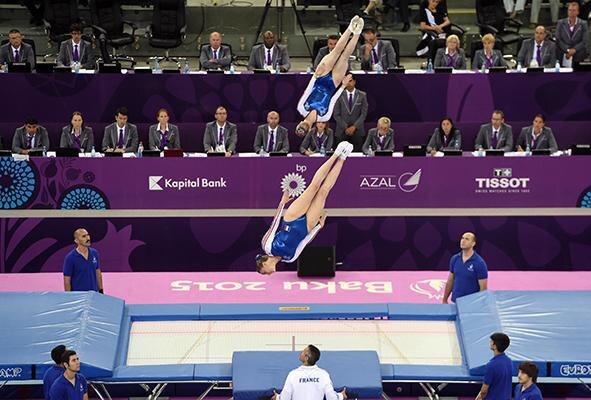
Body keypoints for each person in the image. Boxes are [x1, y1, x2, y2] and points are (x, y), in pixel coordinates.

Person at [256, 141, 354, 274]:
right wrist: (319, 227)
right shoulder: (290, 258)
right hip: (306, 227)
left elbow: (274, 224)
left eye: (264, 272)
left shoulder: (267, 246)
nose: (267, 274)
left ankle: (335, 154)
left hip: (291, 218)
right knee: (323, 192)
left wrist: (282, 203)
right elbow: (304, 242)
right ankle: (343, 158)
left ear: (263, 264)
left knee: (314, 187)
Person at [295, 16, 365, 137]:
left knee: (336, 51)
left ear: (299, 123)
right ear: (309, 127)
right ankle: (357, 32)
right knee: (344, 56)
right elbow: (332, 100)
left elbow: (308, 90)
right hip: (332, 84)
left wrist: (316, 75)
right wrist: (342, 86)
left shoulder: (302, 108)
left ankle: (351, 28)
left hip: (320, 79)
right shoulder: (324, 116)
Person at [271, 345, 347, 400]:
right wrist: (341, 396)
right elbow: (331, 397)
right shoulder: (323, 375)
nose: (301, 352)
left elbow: (285, 398)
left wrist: (277, 397)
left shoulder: (293, 375)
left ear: (306, 358)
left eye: (303, 352)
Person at [442, 232, 487, 303]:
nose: (463, 241)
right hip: (455, 302)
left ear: (473, 244)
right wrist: (444, 299)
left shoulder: (479, 263)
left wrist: (479, 306)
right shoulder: (455, 259)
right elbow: (450, 281)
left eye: (467, 239)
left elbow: (483, 288)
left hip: (471, 303)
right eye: (462, 238)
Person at [332, 74, 368, 152]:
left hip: (358, 130)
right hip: (342, 130)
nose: (348, 82)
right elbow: (336, 114)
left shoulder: (362, 95)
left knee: (358, 156)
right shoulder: (339, 95)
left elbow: (363, 114)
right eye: (346, 81)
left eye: (350, 80)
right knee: (339, 156)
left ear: (354, 82)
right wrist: (346, 127)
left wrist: (354, 127)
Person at [63, 228, 103, 293]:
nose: (88, 238)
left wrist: (101, 290)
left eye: (88, 235)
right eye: (84, 236)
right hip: (78, 296)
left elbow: (98, 273)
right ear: (76, 240)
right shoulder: (70, 258)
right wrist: (69, 297)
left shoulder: (95, 253)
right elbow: (67, 280)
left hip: (94, 294)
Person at [476, 333, 512, 400]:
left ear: (495, 346)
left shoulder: (491, 365)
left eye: (491, 341)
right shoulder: (509, 361)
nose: (490, 342)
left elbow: (484, 391)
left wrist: (480, 398)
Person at [555, 2, 588, 67]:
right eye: (569, 10)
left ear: (578, 12)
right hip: (563, 52)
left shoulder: (583, 23)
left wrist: (574, 49)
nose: (571, 12)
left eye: (574, 10)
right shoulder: (560, 23)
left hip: (578, 53)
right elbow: (558, 39)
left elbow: (585, 40)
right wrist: (568, 50)